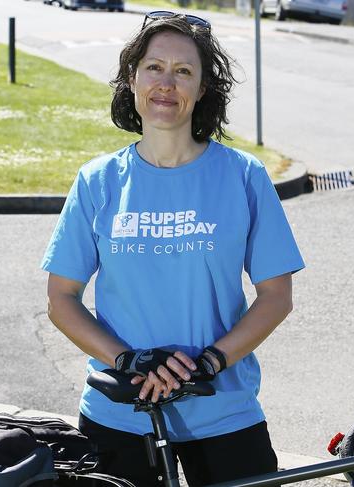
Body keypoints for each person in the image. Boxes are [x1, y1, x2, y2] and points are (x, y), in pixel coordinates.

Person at [41, 11, 305, 487]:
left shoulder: (243, 176)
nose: (167, 83)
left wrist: (209, 362)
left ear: (202, 89)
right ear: (132, 78)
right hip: (120, 412)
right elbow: (61, 300)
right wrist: (127, 360)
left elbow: (276, 296)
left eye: (183, 71)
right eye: (154, 67)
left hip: (223, 411)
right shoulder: (97, 181)